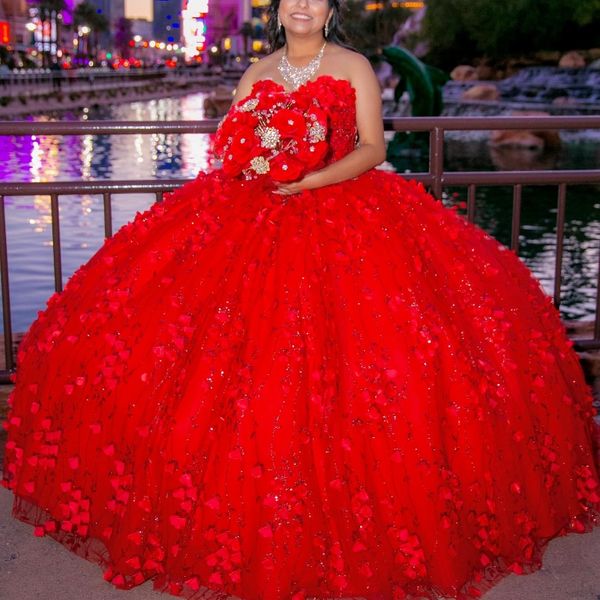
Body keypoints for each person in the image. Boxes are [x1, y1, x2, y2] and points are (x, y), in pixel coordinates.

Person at [2, 0, 599, 598]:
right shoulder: (256, 72)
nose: (304, 5)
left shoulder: (354, 65)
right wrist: (252, 168)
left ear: (331, 9)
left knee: (375, 359)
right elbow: (231, 146)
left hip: (342, 209)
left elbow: (371, 148)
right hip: (252, 214)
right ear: (280, 9)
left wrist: (311, 178)